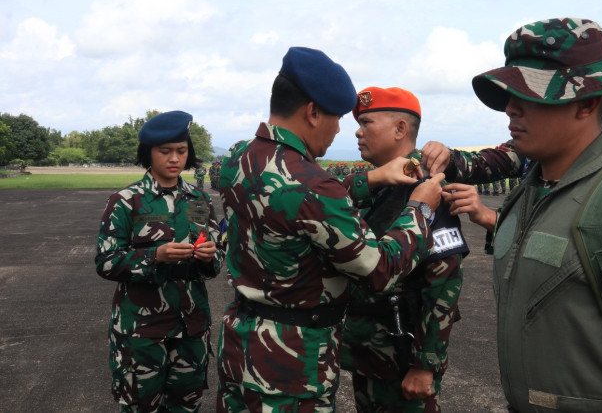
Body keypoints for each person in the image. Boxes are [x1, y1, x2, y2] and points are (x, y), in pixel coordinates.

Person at [421, 17, 602, 412]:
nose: (510, 108)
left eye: (529, 94)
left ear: (587, 102)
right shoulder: (527, 196)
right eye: (511, 94)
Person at [215, 47, 445, 412]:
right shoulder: (313, 187)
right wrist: (420, 208)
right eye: (337, 118)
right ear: (312, 112)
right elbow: (378, 269)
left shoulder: (238, 157)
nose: (341, 129)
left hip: (240, 348)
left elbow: (289, 198)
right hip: (291, 363)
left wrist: (371, 178)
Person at [342, 86, 468, 412]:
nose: (357, 131)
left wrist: (426, 364)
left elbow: (444, 280)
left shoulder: (424, 186)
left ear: (400, 129)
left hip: (402, 358)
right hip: (369, 354)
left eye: (366, 123)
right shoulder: (376, 185)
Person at [95, 110, 224, 412]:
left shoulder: (199, 200)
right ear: (148, 153)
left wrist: (209, 257)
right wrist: (156, 256)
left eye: (181, 151)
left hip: (191, 328)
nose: (174, 159)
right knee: (142, 406)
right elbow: (105, 261)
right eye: (165, 152)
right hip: (141, 333)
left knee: (186, 405)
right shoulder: (126, 201)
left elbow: (217, 257)